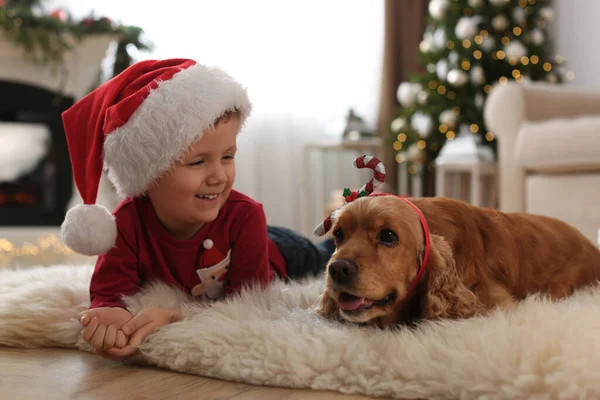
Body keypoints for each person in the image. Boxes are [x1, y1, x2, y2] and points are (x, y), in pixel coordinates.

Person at [60, 58, 333, 360]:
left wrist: (176, 315)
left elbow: (249, 308)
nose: (219, 176)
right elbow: (108, 294)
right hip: (242, 235)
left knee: (329, 255)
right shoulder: (126, 223)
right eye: (198, 162)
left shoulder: (246, 216)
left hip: (281, 249)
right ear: (149, 175)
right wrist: (108, 316)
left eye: (228, 157)